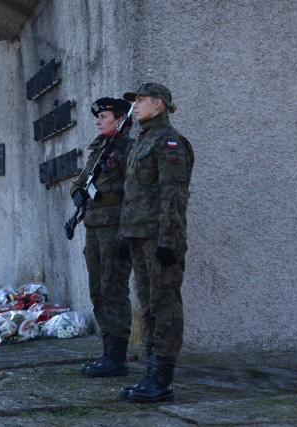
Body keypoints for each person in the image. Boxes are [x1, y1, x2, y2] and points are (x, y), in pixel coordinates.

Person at [117, 83, 194, 403]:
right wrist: (126, 234)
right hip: (139, 236)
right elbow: (133, 195)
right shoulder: (141, 141)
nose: (135, 105)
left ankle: (162, 377)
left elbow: (172, 196)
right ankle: (151, 371)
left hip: (159, 240)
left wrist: (168, 241)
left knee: (164, 306)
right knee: (148, 305)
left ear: (158, 104)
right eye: (134, 101)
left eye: (141, 100)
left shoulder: (169, 142)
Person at [70, 97, 134, 378]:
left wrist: (126, 232)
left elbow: (135, 194)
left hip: (115, 228)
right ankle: (108, 351)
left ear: (120, 119)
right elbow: (81, 180)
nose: (97, 121)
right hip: (94, 227)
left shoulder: (129, 150)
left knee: (114, 289)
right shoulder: (99, 148)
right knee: (98, 289)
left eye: (104, 116)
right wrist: (77, 192)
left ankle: (118, 357)